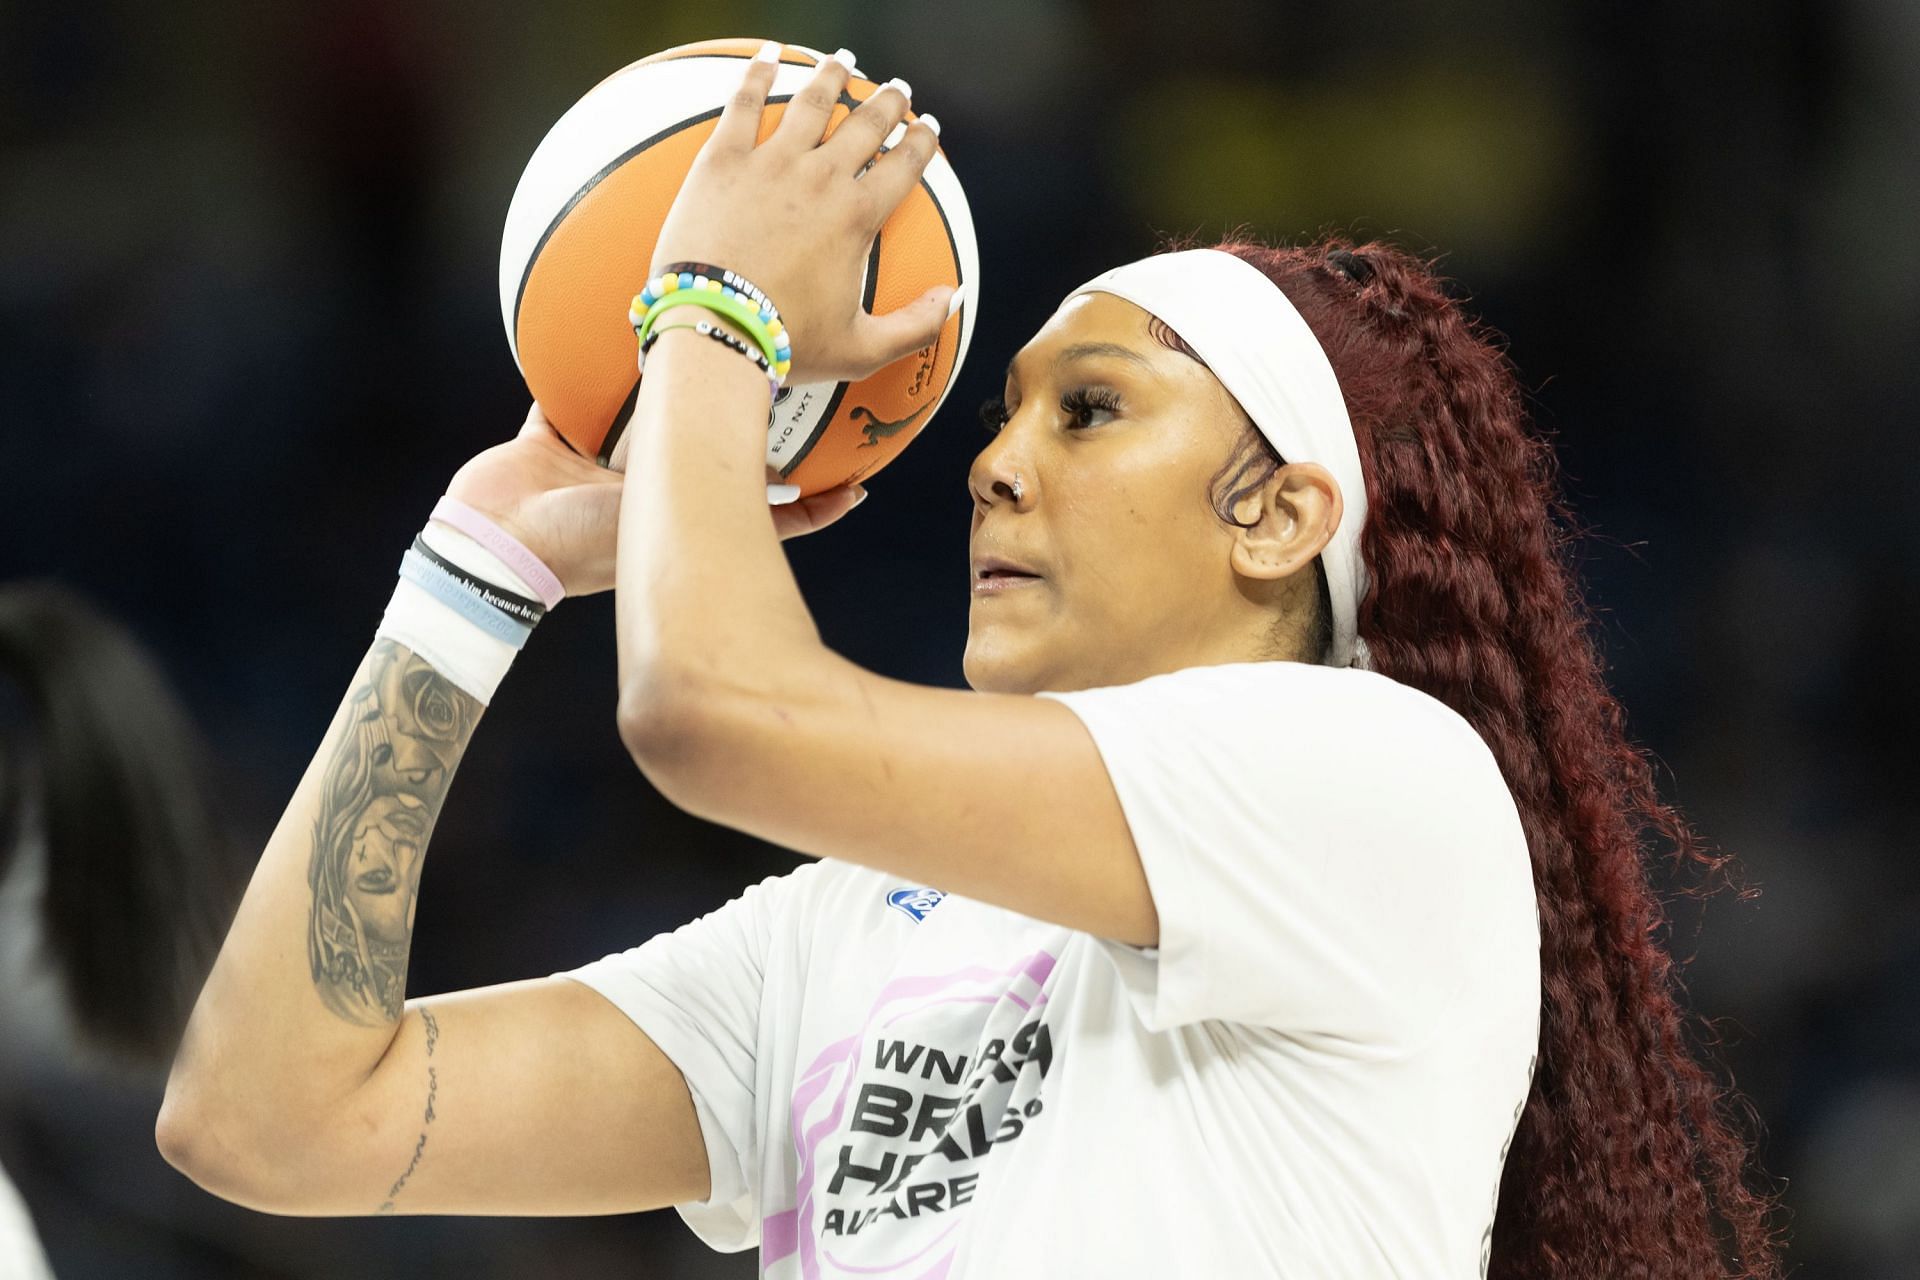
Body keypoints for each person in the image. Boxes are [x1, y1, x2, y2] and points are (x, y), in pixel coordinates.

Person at [157, 42, 1784, 1279]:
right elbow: (272, 1119)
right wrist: (472, 575)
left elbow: (707, 710)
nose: (994, 466)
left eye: (1089, 410)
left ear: (1284, 514)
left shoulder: (1376, 784)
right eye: (1001, 415)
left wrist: (715, 317)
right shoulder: (836, 935)